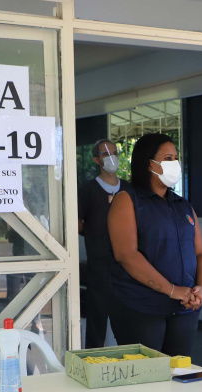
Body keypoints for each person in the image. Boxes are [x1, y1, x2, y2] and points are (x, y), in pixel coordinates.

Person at [107, 133, 202, 356]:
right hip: (141, 307)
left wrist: (201, 289)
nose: (174, 163)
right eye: (168, 158)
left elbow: (201, 253)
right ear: (149, 163)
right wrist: (172, 290)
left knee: (178, 375)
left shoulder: (183, 206)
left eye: (175, 158)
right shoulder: (127, 199)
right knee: (146, 378)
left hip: (184, 309)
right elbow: (126, 254)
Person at [79, 139, 131, 348]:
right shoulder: (88, 190)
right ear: (96, 160)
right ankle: (93, 360)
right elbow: (78, 223)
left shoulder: (128, 189)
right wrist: (95, 234)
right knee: (97, 316)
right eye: (105, 153)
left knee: (128, 316)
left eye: (114, 152)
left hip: (127, 263)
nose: (111, 157)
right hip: (99, 263)